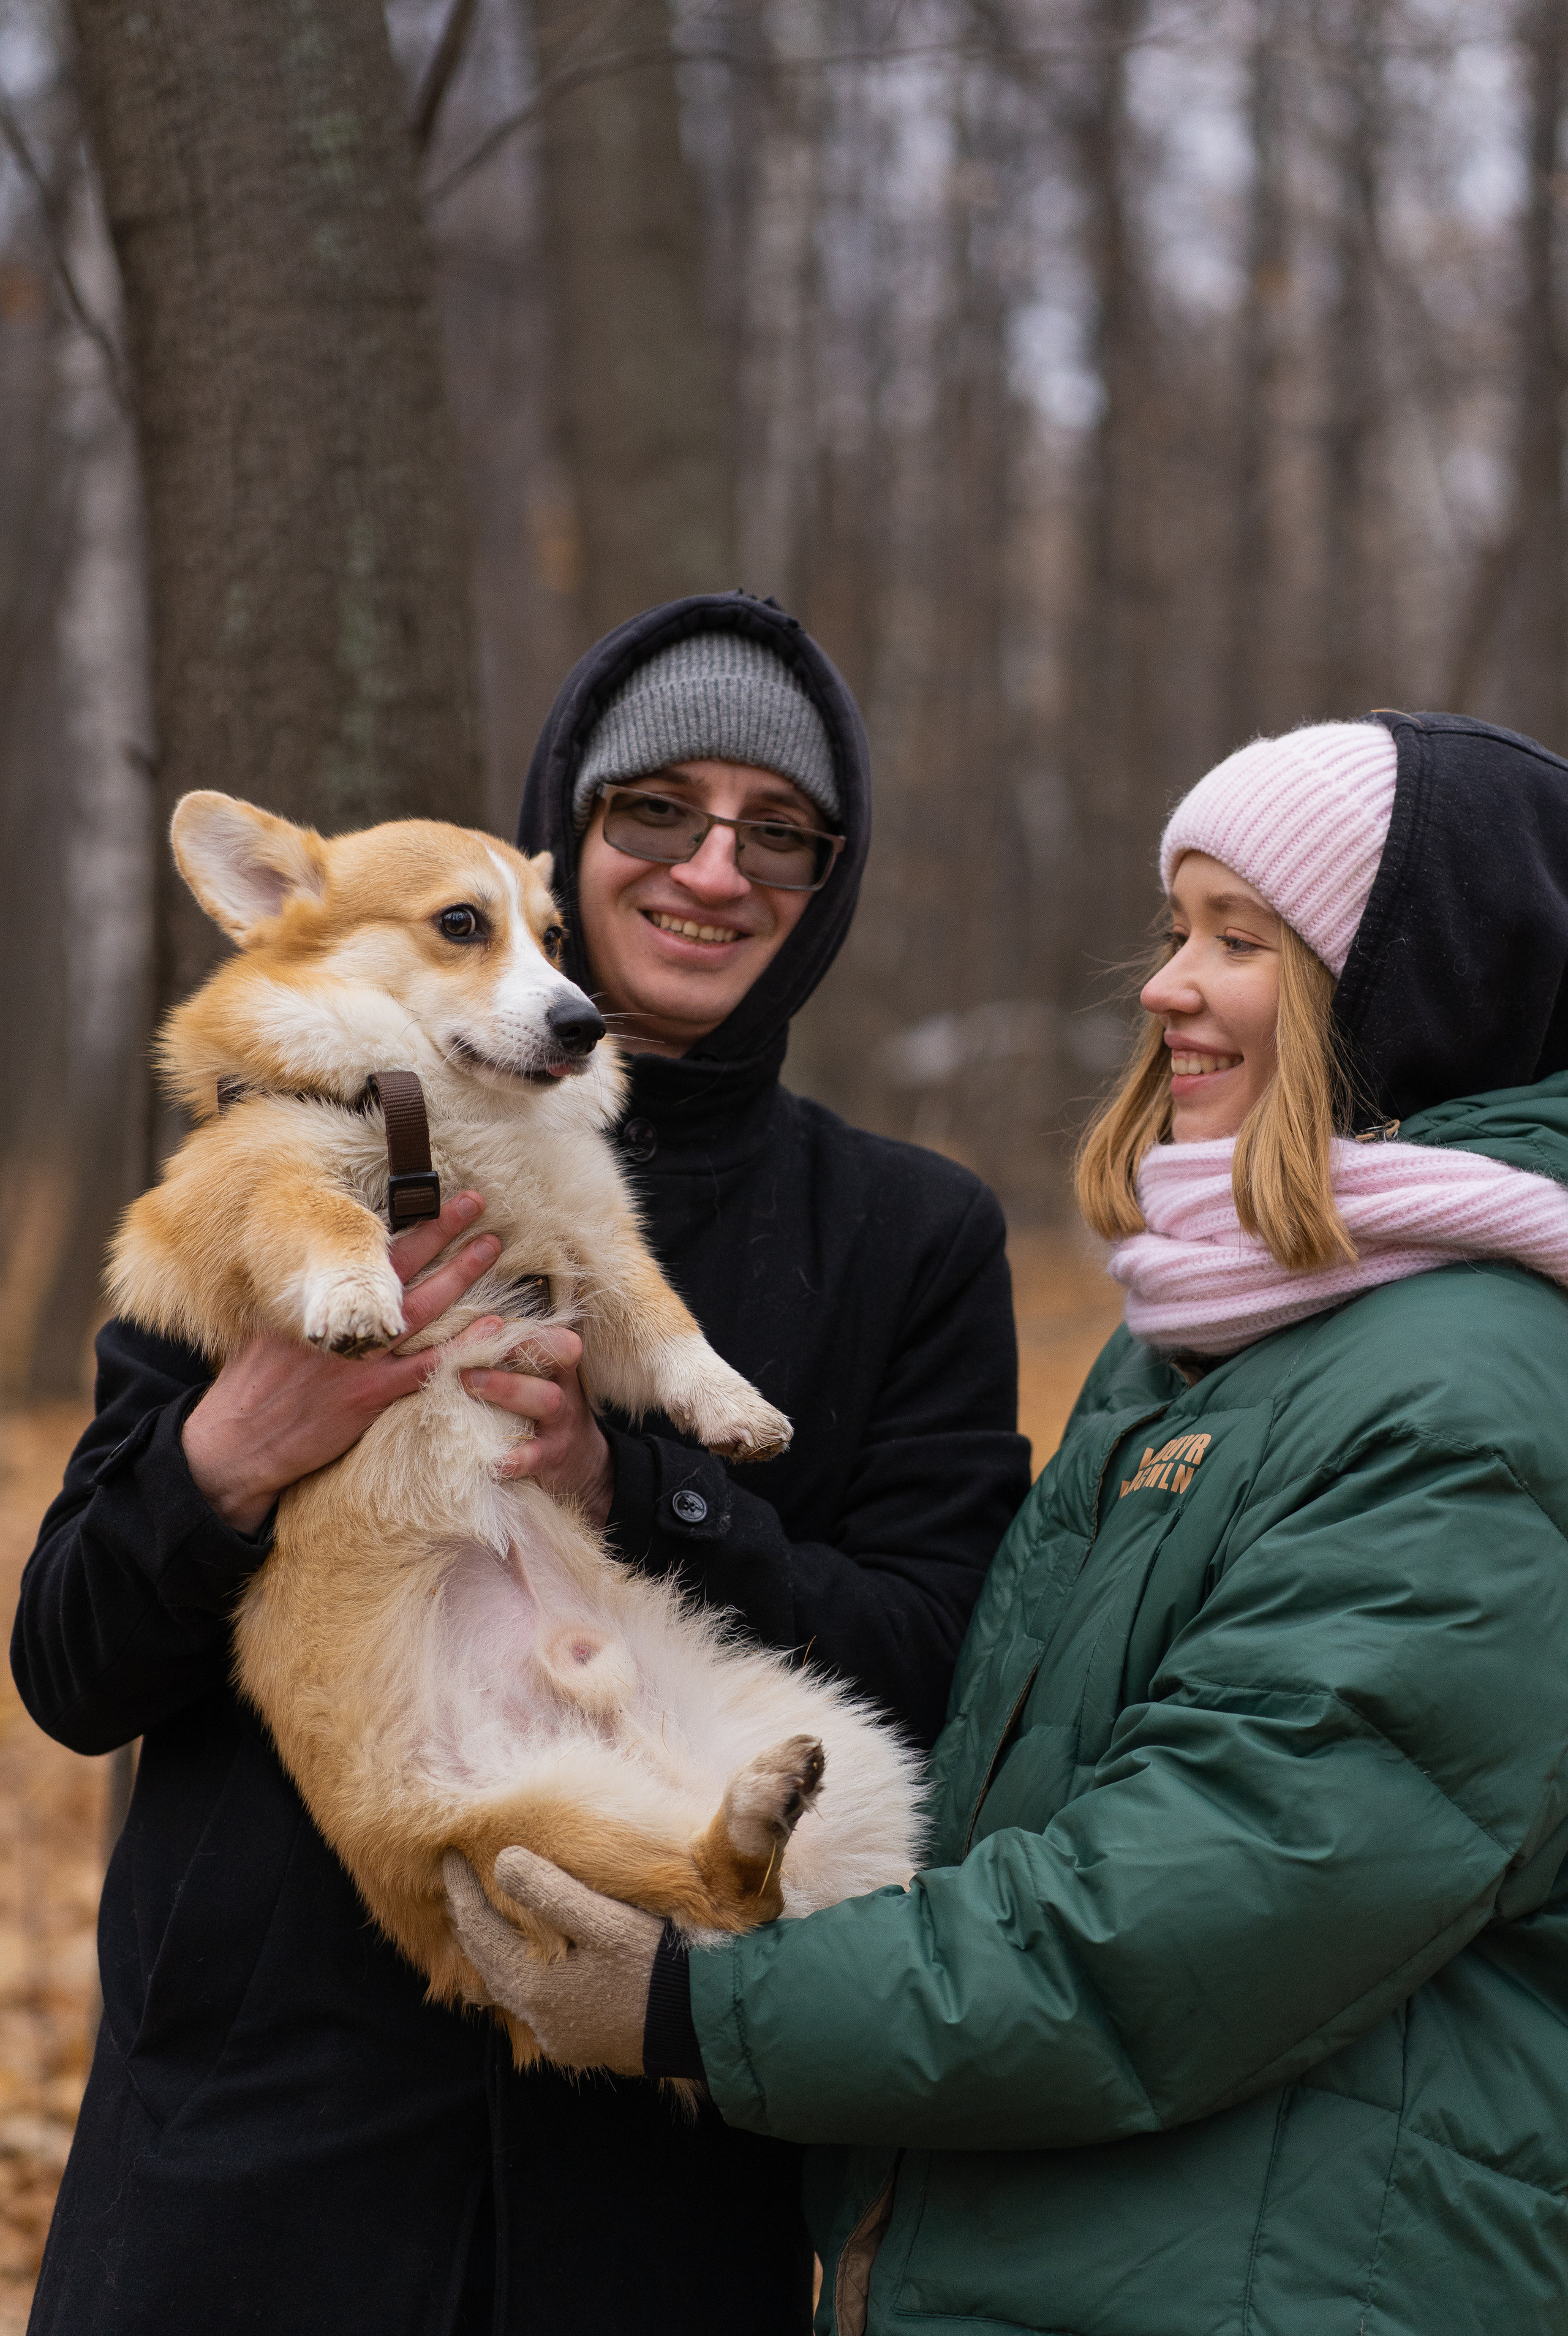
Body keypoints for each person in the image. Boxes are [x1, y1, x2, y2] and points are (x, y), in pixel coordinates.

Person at [449, 709, 1568, 2336]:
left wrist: (703, 2004)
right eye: (1177, 927)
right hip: (1112, 2249)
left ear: (1412, 995)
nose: (1167, 985)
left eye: (1239, 940)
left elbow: (1189, 1917)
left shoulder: (1471, 1398)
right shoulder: (1223, 1337)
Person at [12, 591, 1029, 2336]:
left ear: (823, 889)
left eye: (779, 833)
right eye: (658, 811)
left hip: (649, 2190)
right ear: (568, 829)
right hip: (260, 2150)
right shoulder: (283, 1153)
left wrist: (640, 1493)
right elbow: (71, 1664)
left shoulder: (904, 1235)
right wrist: (232, 1455)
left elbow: (939, 1661)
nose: (716, 869)